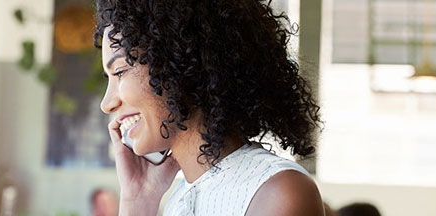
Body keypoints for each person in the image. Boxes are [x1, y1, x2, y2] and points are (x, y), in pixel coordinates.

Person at [94, 0, 325, 215]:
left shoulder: (276, 192)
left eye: (120, 72)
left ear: (180, 62)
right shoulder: (179, 199)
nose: (107, 103)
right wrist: (138, 201)